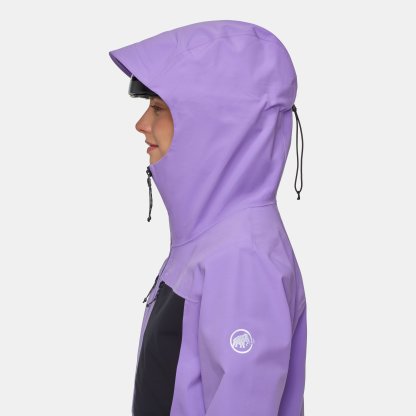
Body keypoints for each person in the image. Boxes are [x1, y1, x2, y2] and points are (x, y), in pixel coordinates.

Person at [109, 19, 307, 416]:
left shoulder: (242, 259)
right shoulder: (210, 238)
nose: (141, 124)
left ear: (215, 124)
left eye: (158, 108)